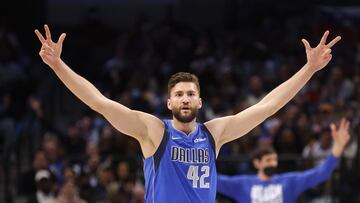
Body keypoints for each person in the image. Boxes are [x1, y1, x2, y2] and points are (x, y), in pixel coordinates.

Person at [34, 24, 341, 203]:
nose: (184, 98)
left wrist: (309, 68)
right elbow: (99, 102)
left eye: (190, 94)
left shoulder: (214, 134)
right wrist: (58, 65)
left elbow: (268, 106)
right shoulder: (153, 131)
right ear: (169, 103)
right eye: (178, 94)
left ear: (199, 102)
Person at [217, 118, 350, 203]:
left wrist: (338, 147)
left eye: (275, 160)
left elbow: (322, 173)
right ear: (257, 163)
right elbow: (212, 180)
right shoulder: (242, 184)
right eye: (268, 160)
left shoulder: (289, 181)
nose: (273, 163)